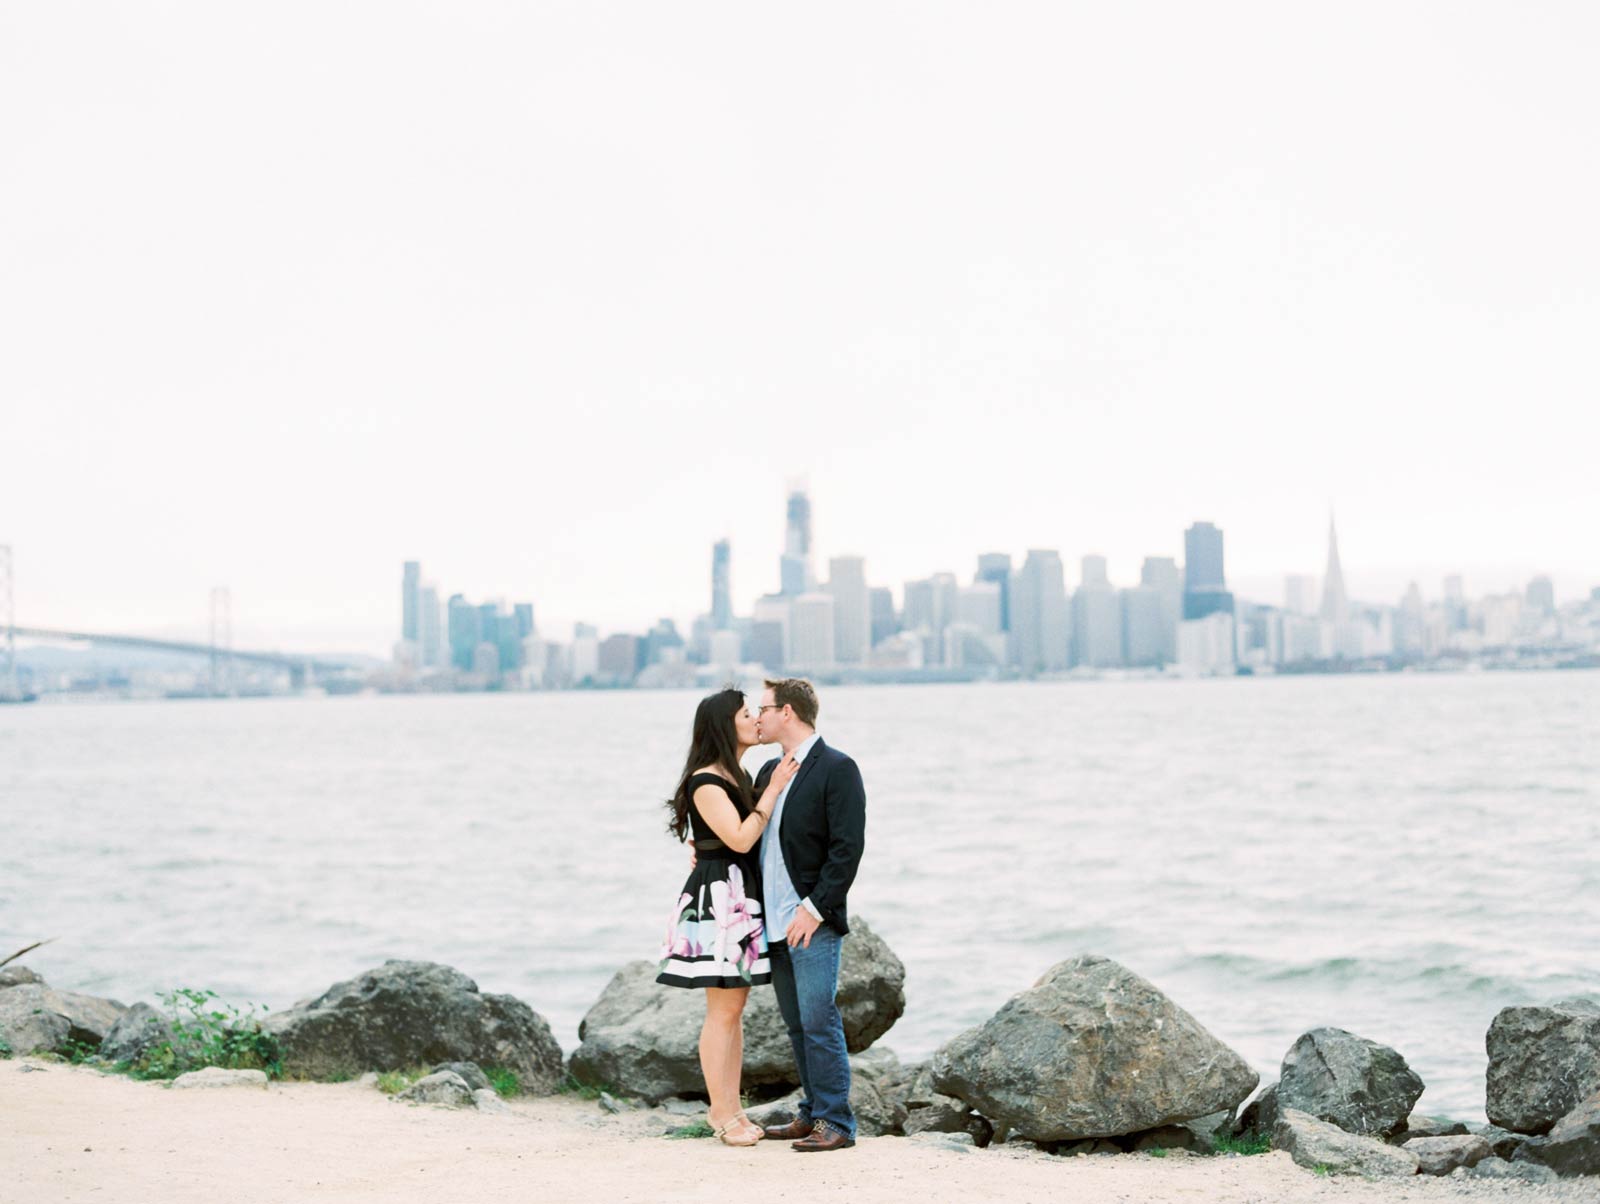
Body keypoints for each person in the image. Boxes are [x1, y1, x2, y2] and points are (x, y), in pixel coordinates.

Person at [658, 687, 800, 1147]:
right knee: (722, 1011)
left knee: (733, 1010)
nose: (757, 719)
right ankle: (721, 1113)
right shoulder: (706, 780)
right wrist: (773, 789)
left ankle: (733, 1107)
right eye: (746, 713)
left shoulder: (734, 773)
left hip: (738, 894)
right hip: (721, 900)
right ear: (725, 725)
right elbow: (740, 839)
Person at [752, 678, 867, 1153]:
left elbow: (847, 848)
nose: (757, 717)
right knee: (797, 1024)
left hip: (810, 920)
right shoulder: (766, 772)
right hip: (772, 921)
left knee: (820, 1019)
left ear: (789, 712)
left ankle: (836, 1123)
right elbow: (749, 834)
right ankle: (812, 1113)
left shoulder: (838, 768)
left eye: (763, 709)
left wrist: (814, 908)